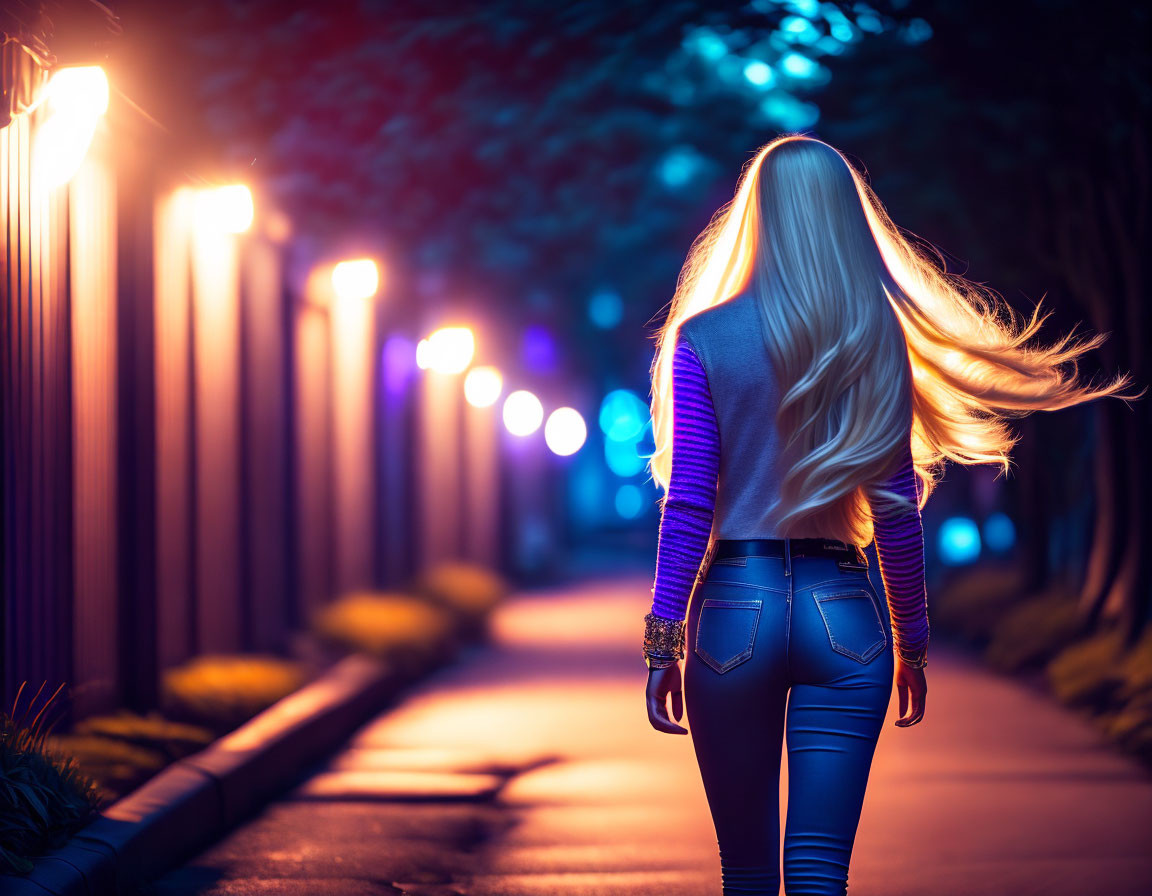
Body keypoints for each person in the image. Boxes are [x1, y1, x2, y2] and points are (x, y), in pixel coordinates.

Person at [640, 135, 1138, 896]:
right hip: (845, 612)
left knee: (744, 872)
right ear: (845, 218)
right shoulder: (874, 338)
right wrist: (914, 645)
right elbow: (896, 513)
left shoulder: (702, 340)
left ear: (757, 214)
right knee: (817, 872)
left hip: (732, 610)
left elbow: (690, 505)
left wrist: (663, 642)